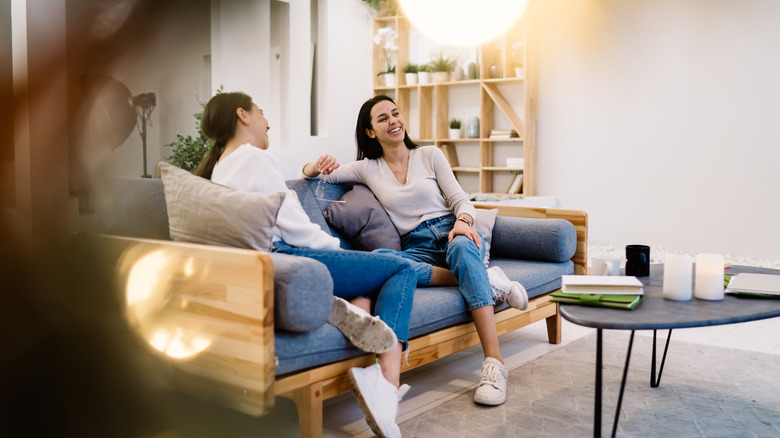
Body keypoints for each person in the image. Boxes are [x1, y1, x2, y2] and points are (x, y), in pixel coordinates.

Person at [195, 92, 414, 438]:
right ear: (243, 116)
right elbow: (293, 226)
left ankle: (354, 311)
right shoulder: (253, 157)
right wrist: (339, 252)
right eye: (262, 113)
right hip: (290, 256)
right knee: (401, 268)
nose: (268, 122)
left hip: (270, 260)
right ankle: (385, 383)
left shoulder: (221, 164)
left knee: (371, 273)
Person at [303, 95, 528, 407]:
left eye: (395, 114)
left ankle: (494, 364)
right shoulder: (368, 169)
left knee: (463, 250)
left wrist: (463, 222)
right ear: (370, 132)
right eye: (383, 118)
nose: (393, 121)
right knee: (382, 261)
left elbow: (461, 200)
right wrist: (315, 164)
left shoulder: (430, 155)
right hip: (417, 246)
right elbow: (316, 174)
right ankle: (486, 280)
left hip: (452, 231)